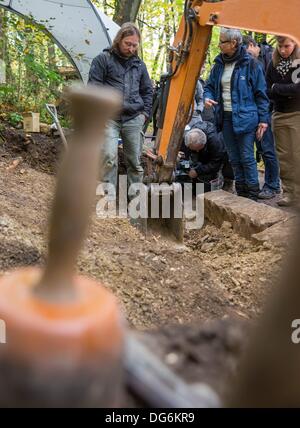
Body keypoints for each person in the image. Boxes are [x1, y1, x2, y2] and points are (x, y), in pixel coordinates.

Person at [204, 28, 270, 201]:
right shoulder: (218, 64)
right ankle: (241, 192)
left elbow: (261, 94)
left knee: (247, 157)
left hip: (247, 119)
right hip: (224, 118)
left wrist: (263, 119)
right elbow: (209, 86)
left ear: (233, 43)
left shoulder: (251, 64)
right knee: (233, 157)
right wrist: (208, 97)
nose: (219, 45)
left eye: (222, 42)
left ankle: (253, 193)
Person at [88, 23, 153, 190]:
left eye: (134, 45)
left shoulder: (139, 65)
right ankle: (107, 200)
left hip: (133, 118)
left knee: (135, 162)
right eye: (128, 44)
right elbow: (94, 89)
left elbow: (147, 91)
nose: (131, 48)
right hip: (109, 117)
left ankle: (136, 202)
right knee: (108, 157)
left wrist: (144, 114)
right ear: (119, 40)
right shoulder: (103, 59)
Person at [243, 36, 281, 199]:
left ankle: (272, 185)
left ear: (251, 45)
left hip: (270, 111)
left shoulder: (271, 56)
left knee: (268, 149)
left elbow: (271, 87)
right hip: (254, 112)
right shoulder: (251, 60)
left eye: (245, 51)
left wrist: (265, 114)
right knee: (260, 149)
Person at [266, 36, 300, 207]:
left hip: (296, 114)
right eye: (280, 46)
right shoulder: (273, 64)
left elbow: (297, 90)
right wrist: (282, 91)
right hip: (278, 114)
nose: (283, 50)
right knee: (285, 157)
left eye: (287, 46)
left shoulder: (297, 63)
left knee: (297, 155)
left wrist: (277, 88)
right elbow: (267, 90)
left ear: (294, 44)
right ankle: (289, 193)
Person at [176, 122, 226, 193]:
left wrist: (198, 171)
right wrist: (187, 167)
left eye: (199, 148)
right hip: (199, 156)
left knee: (208, 175)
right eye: (194, 149)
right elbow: (184, 157)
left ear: (204, 143)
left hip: (212, 157)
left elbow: (216, 163)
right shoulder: (187, 139)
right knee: (187, 165)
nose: (197, 150)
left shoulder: (215, 142)